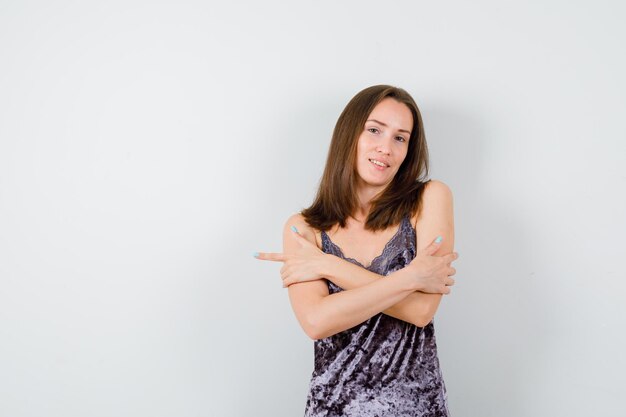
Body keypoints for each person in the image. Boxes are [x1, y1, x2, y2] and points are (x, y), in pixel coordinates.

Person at [256, 85, 458, 416]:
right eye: (375, 130)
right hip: (334, 408)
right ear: (349, 133)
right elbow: (317, 321)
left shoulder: (430, 199)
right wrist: (412, 277)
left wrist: (327, 266)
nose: (386, 148)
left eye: (400, 138)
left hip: (416, 407)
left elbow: (422, 310)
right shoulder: (303, 228)